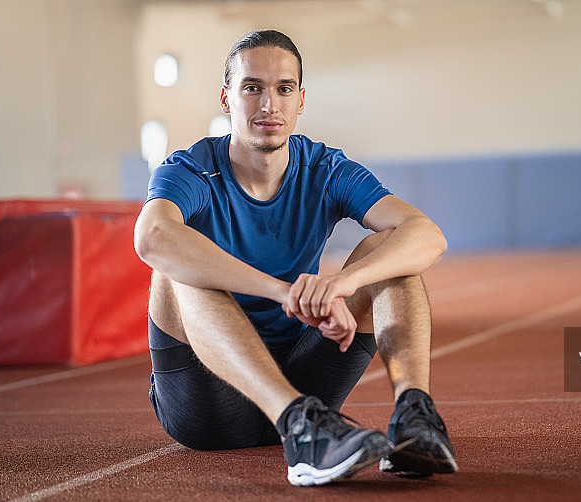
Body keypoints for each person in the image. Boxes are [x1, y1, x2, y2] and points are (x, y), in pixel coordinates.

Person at [134, 29, 457, 487]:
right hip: (208, 402)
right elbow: (151, 238)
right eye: (252, 88)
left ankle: (414, 416)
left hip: (303, 379)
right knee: (177, 267)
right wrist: (283, 292)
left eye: (283, 89)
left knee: (389, 251)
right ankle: (300, 428)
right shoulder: (189, 169)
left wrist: (341, 285)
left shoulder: (324, 168)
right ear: (226, 98)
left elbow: (428, 235)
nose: (269, 105)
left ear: (300, 100)